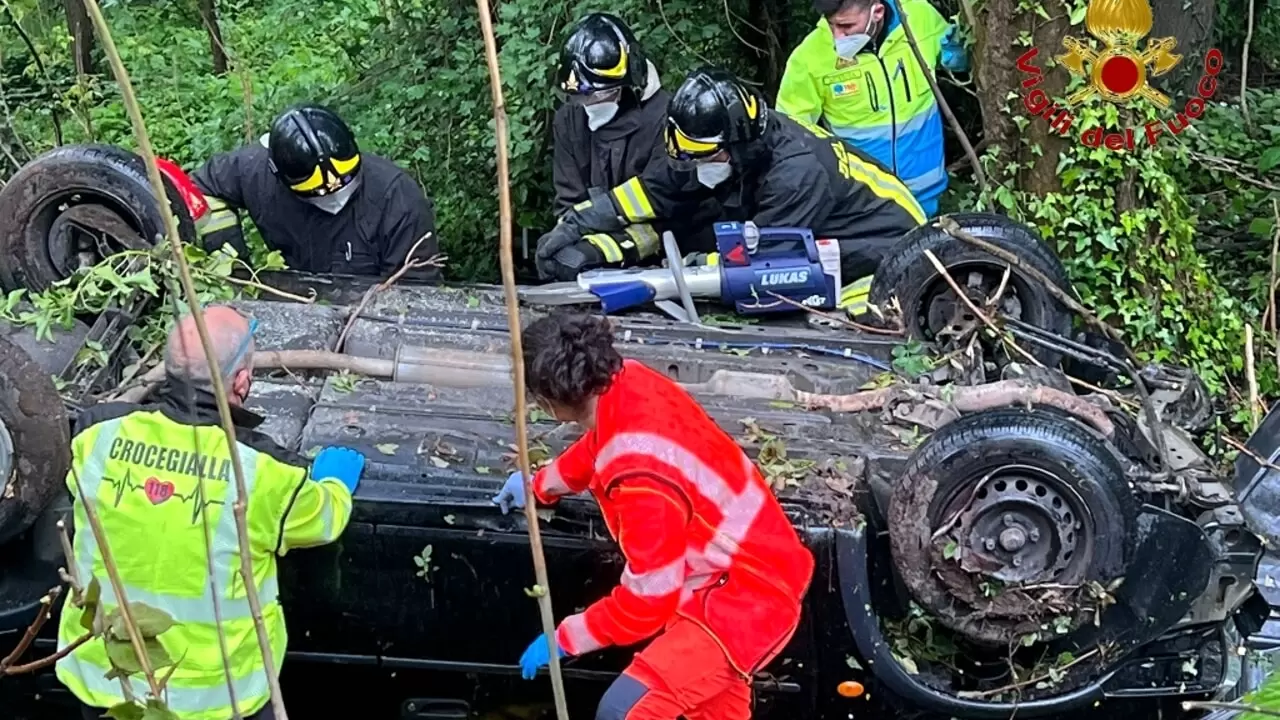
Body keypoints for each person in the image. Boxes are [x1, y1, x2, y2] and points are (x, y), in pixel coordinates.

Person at [492, 312, 815, 719]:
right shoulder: (630, 382)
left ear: (549, 401)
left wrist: (568, 637)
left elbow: (648, 602)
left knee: (624, 710)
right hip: (750, 568)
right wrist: (541, 485)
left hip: (740, 600)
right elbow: (600, 445)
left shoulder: (640, 482)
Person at [56, 306, 367, 720]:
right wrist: (334, 483)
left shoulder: (96, 436)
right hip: (219, 697)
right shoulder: (262, 471)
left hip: (108, 682)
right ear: (242, 381)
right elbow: (323, 520)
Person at [535, 66, 925, 315]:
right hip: (813, 222)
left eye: (703, 158)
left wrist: (675, 273)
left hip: (886, 242)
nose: (695, 167)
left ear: (734, 146)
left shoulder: (794, 175)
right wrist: (578, 222)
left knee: (784, 289)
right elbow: (658, 188)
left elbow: (759, 265)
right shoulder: (730, 145)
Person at [541, 12, 719, 281]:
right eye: (580, 97)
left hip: (672, 257)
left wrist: (601, 250)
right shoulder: (570, 119)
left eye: (599, 93)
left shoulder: (665, 121)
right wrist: (566, 237)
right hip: (603, 250)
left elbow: (668, 210)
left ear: (629, 83)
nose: (589, 104)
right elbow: (570, 201)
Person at [192, 104, 441, 282]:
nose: (333, 194)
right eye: (316, 192)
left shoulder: (397, 199)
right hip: (300, 302)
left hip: (368, 317)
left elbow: (416, 291)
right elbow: (198, 189)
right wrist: (235, 271)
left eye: (345, 181)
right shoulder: (254, 171)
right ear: (279, 176)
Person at [776, 0, 969, 216]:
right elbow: (789, 135)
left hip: (927, 195)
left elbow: (959, 61)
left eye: (847, 26)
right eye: (832, 25)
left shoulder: (920, 16)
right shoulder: (809, 57)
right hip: (864, 203)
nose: (837, 36)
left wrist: (957, 53)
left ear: (877, 12)